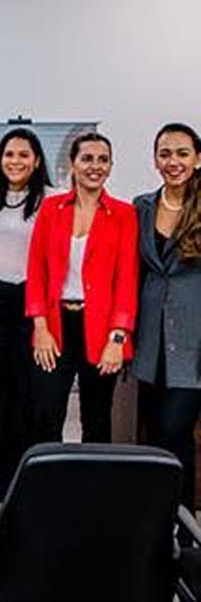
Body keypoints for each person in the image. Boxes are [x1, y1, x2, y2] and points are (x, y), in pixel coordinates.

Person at [26, 132, 138, 444]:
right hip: (55, 326)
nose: (95, 166)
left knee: (97, 418)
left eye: (103, 160)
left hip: (101, 330)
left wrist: (118, 338)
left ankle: (94, 491)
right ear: (72, 164)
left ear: (111, 166)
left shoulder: (124, 214)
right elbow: (36, 271)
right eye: (87, 158)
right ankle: (48, 487)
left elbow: (127, 280)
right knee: (46, 414)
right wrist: (41, 327)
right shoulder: (51, 209)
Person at [0, 127, 54, 503]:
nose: (16, 161)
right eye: (10, 154)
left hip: (35, 304)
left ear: (37, 160)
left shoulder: (51, 201)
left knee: (31, 396)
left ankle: (29, 479)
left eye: (24, 155)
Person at [134, 123, 201, 512]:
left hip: (193, 341)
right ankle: (157, 523)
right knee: (154, 436)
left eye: (181, 153)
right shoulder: (142, 206)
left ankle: (185, 525)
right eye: (165, 153)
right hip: (152, 340)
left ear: (197, 158)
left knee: (175, 431)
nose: (173, 162)